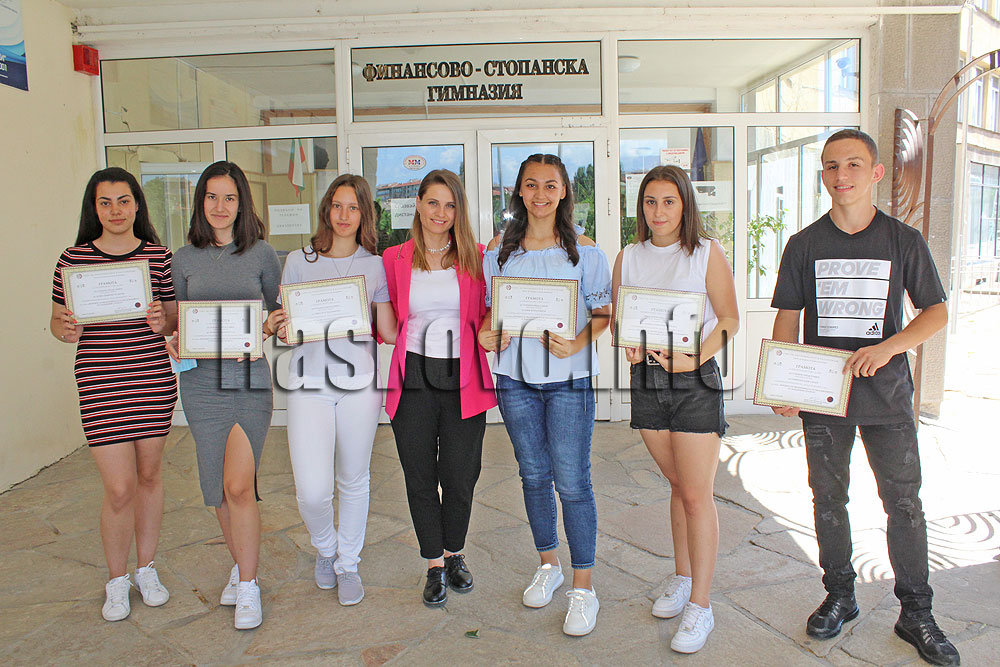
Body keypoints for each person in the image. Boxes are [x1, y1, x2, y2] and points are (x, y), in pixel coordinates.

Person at [770, 129, 958, 666]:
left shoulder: (902, 240)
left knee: (904, 504)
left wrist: (888, 348)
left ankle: (916, 612)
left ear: (875, 173)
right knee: (828, 499)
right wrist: (782, 384)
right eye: (832, 166)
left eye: (853, 164)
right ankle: (840, 595)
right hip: (824, 399)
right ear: (823, 176)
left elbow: (936, 312)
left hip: (887, 397)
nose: (841, 175)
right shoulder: (804, 244)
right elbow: (787, 317)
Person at [480, 153, 611, 637]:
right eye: (531, 185)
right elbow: (491, 311)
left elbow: (603, 314)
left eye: (550, 185)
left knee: (572, 482)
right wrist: (486, 333)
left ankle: (584, 587)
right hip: (515, 380)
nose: (540, 194)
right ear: (519, 191)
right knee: (533, 475)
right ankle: (549, 565)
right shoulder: (499, 251)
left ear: (563, 191)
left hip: (569, 381)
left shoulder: (586, 251)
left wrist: (575, 344)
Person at [611, 165, 739, 653]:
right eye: (650, 202)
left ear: (685, 204)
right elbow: (623, 320)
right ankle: (683, 578)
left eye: (669, 201)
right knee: (678, 486)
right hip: (647, 380)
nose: (658, 211)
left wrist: (695, 357)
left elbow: (728, 318)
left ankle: (701, 605)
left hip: (694, 380)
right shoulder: (628, 257)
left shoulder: (705, 252)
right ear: (640, 207)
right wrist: (629, 343)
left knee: (697, 495)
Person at [51, 167, 177, 622]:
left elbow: (172, 320)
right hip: (101, 384)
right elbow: (58, 322)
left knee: (149, 477)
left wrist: (163, 321)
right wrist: (66, 330)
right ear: (94, 208)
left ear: (137, 205)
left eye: (123, 201)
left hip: (150, 380)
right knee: (120, 488)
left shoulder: (159, 257)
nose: (116, 210)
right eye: (105, 202)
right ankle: (117, 579)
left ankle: (146, 568)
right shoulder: (73, 260)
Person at [270, 175, 396, 606]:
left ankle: (348, 562)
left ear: (364, 215)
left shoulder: (374, 265)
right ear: (326, 209)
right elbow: (287, 328)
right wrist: (283, 330)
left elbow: (388, 330)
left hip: (360, 386)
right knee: (312, 489)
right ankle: (325, 548)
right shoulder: (298, 261)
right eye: (337, 206)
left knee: (354, 479)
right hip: (309, 384)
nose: (344, 215)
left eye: (353, 208)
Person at [166, 161, 282, 630]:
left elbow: (277, 314)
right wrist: (171, 337)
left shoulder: (262, 254)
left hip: (248, 383)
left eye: (229, 197)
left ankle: (249, 585)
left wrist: (267, 329)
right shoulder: (182, 259)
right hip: (200, 386)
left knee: (239, 486)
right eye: (212, 197)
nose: (220, 206)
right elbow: (177, 321)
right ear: (201, 203)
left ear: (241, 203)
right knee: (217, 490)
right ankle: (240, 565)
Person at [382, 169, 496, 607]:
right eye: (433, 202)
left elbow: (494, 306)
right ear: (417, 203)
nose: (441, 213)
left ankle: (454, 553)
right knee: (420, 475)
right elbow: (382, 317)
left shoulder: (478, 258)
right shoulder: (394, 258)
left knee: (461, 474)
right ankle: (433, 562)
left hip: (463, 374)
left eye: (450, 205)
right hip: (412, 375)